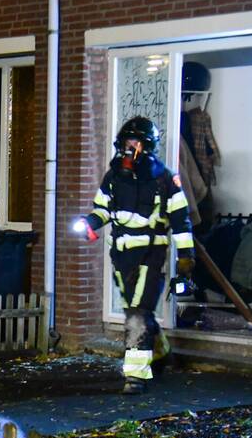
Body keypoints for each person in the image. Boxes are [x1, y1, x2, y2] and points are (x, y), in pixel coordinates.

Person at [79, 116, 195, 394]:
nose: (130, 148)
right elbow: (102, 209)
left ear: (147, 145)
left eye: (136, 142)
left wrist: (185, 258)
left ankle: (136, 376)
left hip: (150, 254)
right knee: (136, 309)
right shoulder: (113, 176)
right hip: (120, 255)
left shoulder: (165, 178)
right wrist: (90, 223)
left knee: (137, 315)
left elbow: (181, 221)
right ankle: (160, 350)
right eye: (127, 142)